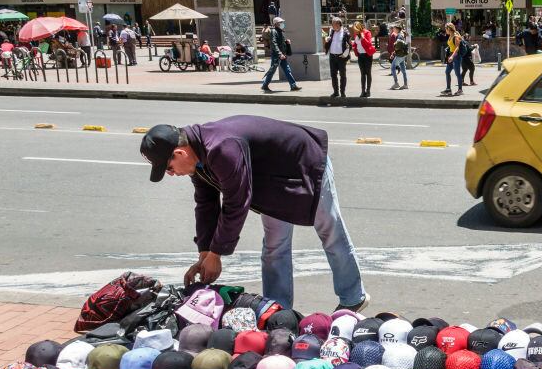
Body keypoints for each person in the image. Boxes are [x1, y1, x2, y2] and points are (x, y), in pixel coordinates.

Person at [138, 118, 369, 312]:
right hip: (273, 182)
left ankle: (353, 298)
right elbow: (206, 203)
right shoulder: (197, 156)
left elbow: (236, 202)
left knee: (330, 230)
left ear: (179, 152)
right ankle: (278, 310)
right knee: (274, 244)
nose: (170, 174)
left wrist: (217, 254)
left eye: (168, 168)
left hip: (304, 164)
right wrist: (205, 252)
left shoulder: (222, 147)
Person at [261, 17, 301, 92]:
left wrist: (286, 42)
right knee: (272, 70)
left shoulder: (280, 31)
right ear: (276, 24)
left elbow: (280, 43)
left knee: (287, 69)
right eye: (281, 22)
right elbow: (274, 43)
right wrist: (279, 54)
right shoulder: (274, 31)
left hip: (282, 55)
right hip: (277, 55)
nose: (282, 24)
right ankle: (265, 85)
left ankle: (293, 85)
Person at [323, 17, 351, 98]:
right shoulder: (331, 31)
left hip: (341, 57)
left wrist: (345, 54)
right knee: (333, 75)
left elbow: (349, 45)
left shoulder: (345, 32)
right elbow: (328, 42)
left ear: (338, 24)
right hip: (332, 56)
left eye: (333, 24)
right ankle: (336, 92)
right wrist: (326, 41)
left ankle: (342, 92)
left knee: (342, 75)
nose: (332, 25)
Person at [351, 21, 375, 98]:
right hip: (360, 56)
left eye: (355, 29)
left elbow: (369, 44)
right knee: (362, 74)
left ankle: (368, 91)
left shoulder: (367, 32)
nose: (354, 31)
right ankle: (362, 91)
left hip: (367, 55)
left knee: (368, 73)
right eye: (354, 29)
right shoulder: (356, 35)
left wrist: (363, 38)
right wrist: (354, 47)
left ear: (359, 28)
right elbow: (355, 44)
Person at [440, 22, 463, 97]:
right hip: (451, 56)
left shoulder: (455, 36)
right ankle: (448, 89)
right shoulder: (450, 36)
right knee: (447, 72)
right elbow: (451, 46)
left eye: (446, 28)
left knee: (457, 73)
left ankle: (460, 90)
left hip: (456, 56)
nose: (445, 30)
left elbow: (457, 48)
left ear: (449, 29)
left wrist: (452, 56)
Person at [390, 25, 408, 90]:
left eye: (394, 28)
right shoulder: (401, 34)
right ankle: (405, 84)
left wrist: (394, 52)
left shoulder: (399, 36)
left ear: (397, 29)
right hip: (402, 55)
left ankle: (396, 83)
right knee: (403, 70)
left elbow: (398, 46)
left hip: (399, 55)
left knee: (392, 68)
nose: (393, 29)